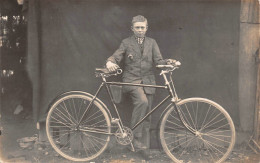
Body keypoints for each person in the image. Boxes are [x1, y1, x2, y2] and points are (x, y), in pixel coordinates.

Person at [106, 15, 174, 153]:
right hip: (131, 80)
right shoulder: (126, 42)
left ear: (147, 28)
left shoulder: (152, 42)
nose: (140, 30)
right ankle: (135, 138)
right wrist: (110, 62)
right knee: (142, 102)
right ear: (132, 28)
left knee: (147, 114)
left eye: (143, 27)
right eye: (137, 27)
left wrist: (168, 62)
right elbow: (116, 56)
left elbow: (158, 61)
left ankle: (143, 148)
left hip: (148, 81)